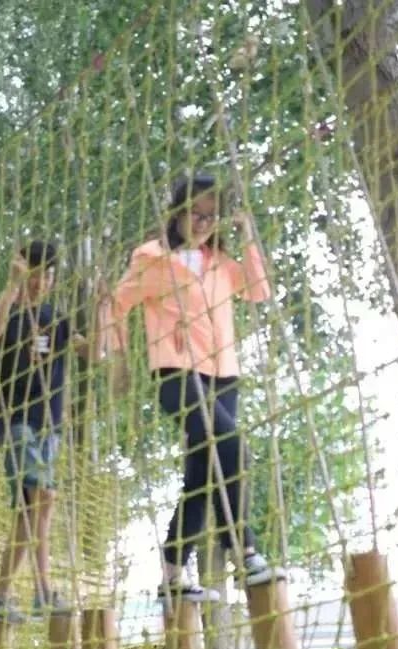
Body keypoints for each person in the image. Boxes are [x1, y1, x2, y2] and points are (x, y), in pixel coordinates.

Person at [101, 172, 286, 602]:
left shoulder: (220, 262)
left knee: (202, 476)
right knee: (232, 446)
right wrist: (120, 360)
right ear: (177, 213)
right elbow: (114, 305)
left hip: (224, 376)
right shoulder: (152, 257)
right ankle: (245, 552)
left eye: (210, 216)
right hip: (177, 373)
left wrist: (248, 235)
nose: (202, 223)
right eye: (195, 214)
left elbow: (259, 291)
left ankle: (171, 574)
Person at [0, 241, 88, 622]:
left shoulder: (56, 318)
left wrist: (108, 311)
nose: (40, 282)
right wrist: (12, 286)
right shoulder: (7, 310)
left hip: (49, 424)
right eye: (34, 274)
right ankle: (41, 592)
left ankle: (3, 595)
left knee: (33, 509)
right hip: (16, 421)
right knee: (42, 496)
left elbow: (91, 352)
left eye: (47, 276)